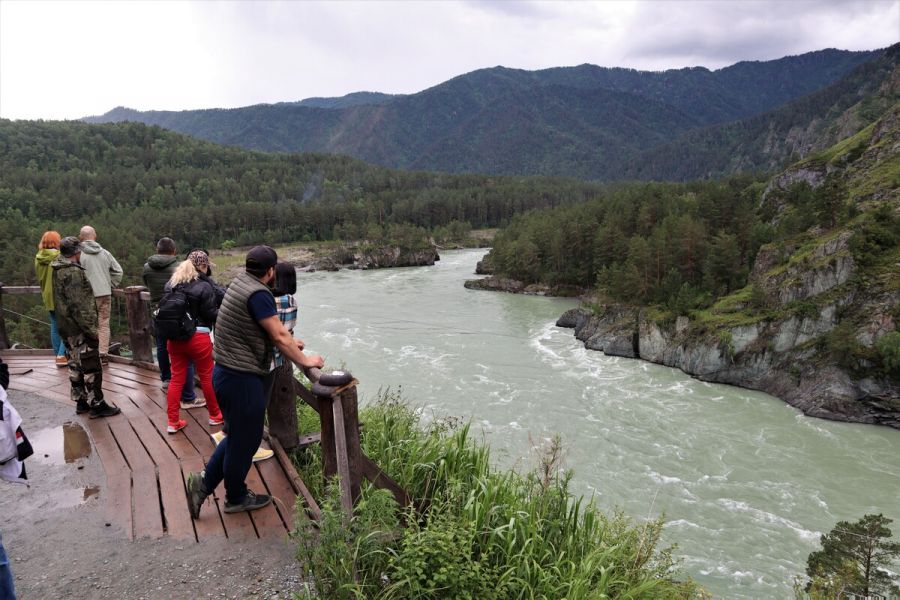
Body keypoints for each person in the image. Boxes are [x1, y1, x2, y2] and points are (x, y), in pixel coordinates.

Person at [186, 246, 323, 517]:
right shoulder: (259, 294)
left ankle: (202, 484)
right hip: (241, 378)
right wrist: (306, 360)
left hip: (225, 372)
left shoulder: (240, 282)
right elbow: (279, 336)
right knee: (246, 442)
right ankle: (235, 497)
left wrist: (288, 341)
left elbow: (261, 330)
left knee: (238, 436)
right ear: (271, 271)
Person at [51, 237, 120, 418]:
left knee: (74, 364)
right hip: (79, 329)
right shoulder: (73, 272)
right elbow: (79, 306)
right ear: (75, 252)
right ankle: (97, 404)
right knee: (91, 365)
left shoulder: (57, 269)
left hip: (66, 326)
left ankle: (81, 402)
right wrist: (92, 331)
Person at [163, 250, 224, 433]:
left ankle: (173, 422)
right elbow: (210, 313)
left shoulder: (171, 284)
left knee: (176, 379)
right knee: (207, 376)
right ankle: (215, 416)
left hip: (174, 338)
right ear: (203, 266)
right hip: (198, 337)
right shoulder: (204, 286)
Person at [142, 237, 197, 405]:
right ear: (174, 251)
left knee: (161, 345)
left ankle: (166, 378)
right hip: (176, 310)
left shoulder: (147, 268)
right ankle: (187, 382)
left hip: (157, 310)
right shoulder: (179, 267)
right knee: (182, 347)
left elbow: (146, 283)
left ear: (157, 249)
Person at [266, 262, 301, 451]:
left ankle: (268, 438)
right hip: (283, 356)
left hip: (264, 356)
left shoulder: (264, 299)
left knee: (264, 400)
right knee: (284, 401)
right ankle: (287, 443)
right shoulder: (290, 301)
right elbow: (287, 330)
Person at [77, 226, 123, 360]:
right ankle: (102, 354)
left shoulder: (78, 254)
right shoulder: (105, 253)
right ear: (95, 236)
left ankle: (90, 354)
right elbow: (118, 271)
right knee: (103, 324)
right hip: (105, 294)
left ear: (81, 237)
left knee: (87, 325)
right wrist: (109, 285)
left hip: (87, 295)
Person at [34, 231, 67, 367]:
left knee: (54, 326)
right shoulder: (59, 257)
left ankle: (58, 354)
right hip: (60, 295)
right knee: (67, 326)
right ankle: (61, 355)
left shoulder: (38, 257)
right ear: (57, 242)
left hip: (47, 295)